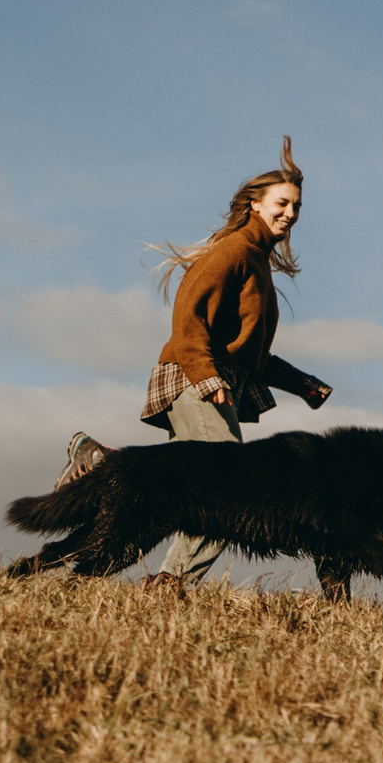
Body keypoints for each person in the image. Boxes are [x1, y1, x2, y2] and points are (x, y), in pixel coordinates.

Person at [54, 136, 334, 585]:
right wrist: (205, 376)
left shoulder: (257, 260)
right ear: (255, 204)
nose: (291, 214)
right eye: (282, 203)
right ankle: (170, 585)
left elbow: (249, 352)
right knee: (231, 491)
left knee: (172, 484)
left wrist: (303, 384)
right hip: (193, 377)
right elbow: (188, 315)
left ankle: (100, 463)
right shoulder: (234, 252)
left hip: (214, 378)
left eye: (297, 207)